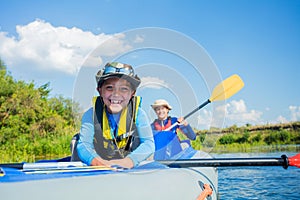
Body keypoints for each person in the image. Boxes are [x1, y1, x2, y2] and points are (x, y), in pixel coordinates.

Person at [75, 62, 155, 169]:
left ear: (132, 93)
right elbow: (84, 144)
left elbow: (148, 144)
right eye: (109, 88)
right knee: (75, 141)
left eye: (123, 89)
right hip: (102, 159)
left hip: (129, 160)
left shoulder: (139, 114)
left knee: (148, 154)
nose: (116, 94)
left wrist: (129, 161)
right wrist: (99, 163)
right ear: (100, 91)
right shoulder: (90, 115)